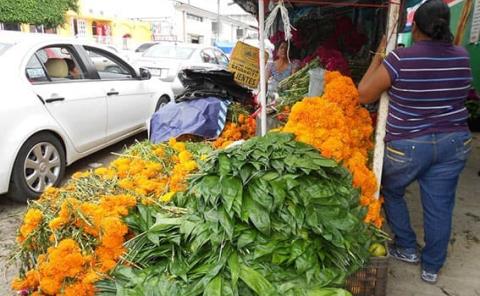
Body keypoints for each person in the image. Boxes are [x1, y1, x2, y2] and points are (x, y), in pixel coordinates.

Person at [358, 0, 472, 284]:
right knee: (440, 204)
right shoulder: (462, 55)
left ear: (416, 27)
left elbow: (363, 94)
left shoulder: (401, 58)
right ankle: (432, 267)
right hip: (454, 141)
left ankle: (407, 247)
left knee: (390, 189)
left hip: (409, 143)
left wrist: (379, 56)